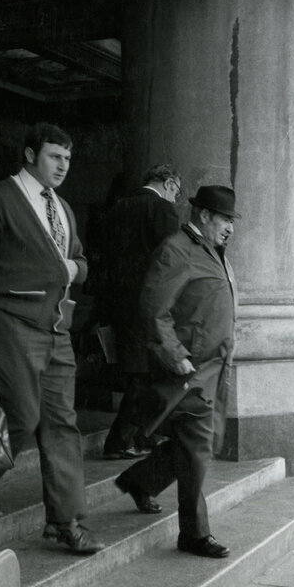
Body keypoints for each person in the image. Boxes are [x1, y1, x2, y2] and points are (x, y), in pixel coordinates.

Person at [0, 122, 103, 555]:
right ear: (29, 155)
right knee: (21, 415)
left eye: (68, 158)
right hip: (9, 325)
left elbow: (80, 260)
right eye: (55, 156)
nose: (63, 165)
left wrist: (75, 269)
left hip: (57, 330)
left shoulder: (64, 208)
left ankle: (66, 521)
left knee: (62, 424)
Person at [115, 185, 238, 559]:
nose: (230, 228)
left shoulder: (211, 251)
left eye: (232, 220)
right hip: (190, 370)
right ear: (204, 215)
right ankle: (194, 534)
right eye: (225, 219)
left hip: (214, 368)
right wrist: (176, 356)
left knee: (199, 444)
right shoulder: (177, 250)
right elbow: (154, 309)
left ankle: (140, 480)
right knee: (198, 446)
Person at [101, 165, 183, 460]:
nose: (176, 198)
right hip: (148, 303)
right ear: (169, 183)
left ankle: (138, 436)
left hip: (118, 301)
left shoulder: (118, 207)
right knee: (146, 374)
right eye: (177, 191)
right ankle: (122, 439)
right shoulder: (162, 209)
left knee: (139, 370)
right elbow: (169, 260)